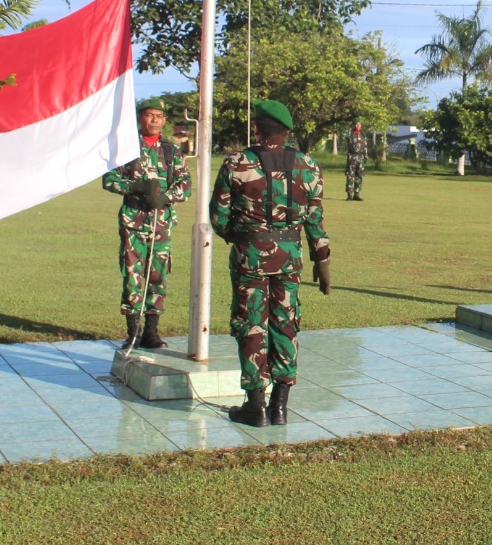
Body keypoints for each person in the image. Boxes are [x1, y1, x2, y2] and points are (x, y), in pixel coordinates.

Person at [212, 99, 330, 427]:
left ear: (257, 127)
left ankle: (255, 405)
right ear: (288, 131)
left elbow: (218, 216)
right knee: (286, 323)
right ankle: (280, 405)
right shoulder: (308, 165)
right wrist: (322, 259)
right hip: (290, 256)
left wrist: (240, 236)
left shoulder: (238, 162)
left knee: (251, 324)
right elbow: (315, 218)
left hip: (250, 255)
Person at [101, 101, 191, 349]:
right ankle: (133, 332)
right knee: (132, 275)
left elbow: (185, 185)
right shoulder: (127, 148)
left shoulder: (171, 150)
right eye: (150, 115)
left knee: (157, 276)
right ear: (140, 118)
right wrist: (135, 187)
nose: (154, 120)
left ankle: (152, 332)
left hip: (161, 223)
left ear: (164, 120)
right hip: (134, 221)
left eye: (159, 116)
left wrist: (165, 198)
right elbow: (109, 179)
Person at [345, 120, 368, 201]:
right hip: (352, 156)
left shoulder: (363, 134)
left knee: (359, 176)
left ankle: (357, 194)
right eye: (356, 124)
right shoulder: (350, 133)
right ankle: (349, 195)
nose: (358, 126)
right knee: (350, 175)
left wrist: (366, 156)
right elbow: (342, 135)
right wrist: (349, 128)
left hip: (361, 157)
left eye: (359, 124)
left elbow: (365, 146)